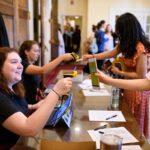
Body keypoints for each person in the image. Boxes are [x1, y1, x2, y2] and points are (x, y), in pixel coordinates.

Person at [83, 12, 150, 138]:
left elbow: (141, 77)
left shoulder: (141, 49)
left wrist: (120, 73)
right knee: (125, 117)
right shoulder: (126, 43)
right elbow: (109, 54)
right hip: (127, 86)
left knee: (134, 123)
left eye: (120, 31)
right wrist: (92, 56)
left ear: (127, 30)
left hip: (137, 90)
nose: (118, 34)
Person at [0, 47, 72, 149]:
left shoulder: (13, 88)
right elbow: (29, 129)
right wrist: (55, 92)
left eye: (20, 62)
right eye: (14, 62)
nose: (21, 66)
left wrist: (33, 106)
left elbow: (11, 109)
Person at [19, 40, 74, 104]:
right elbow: (43, 70)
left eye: (38, 51)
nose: (38, 54)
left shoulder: (32, 65)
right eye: (36, 51)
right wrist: (62, 57)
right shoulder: (22, 64)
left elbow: (29, 83)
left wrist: (38, 91)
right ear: (26, 52)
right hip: (26, 104)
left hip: (32, 99)